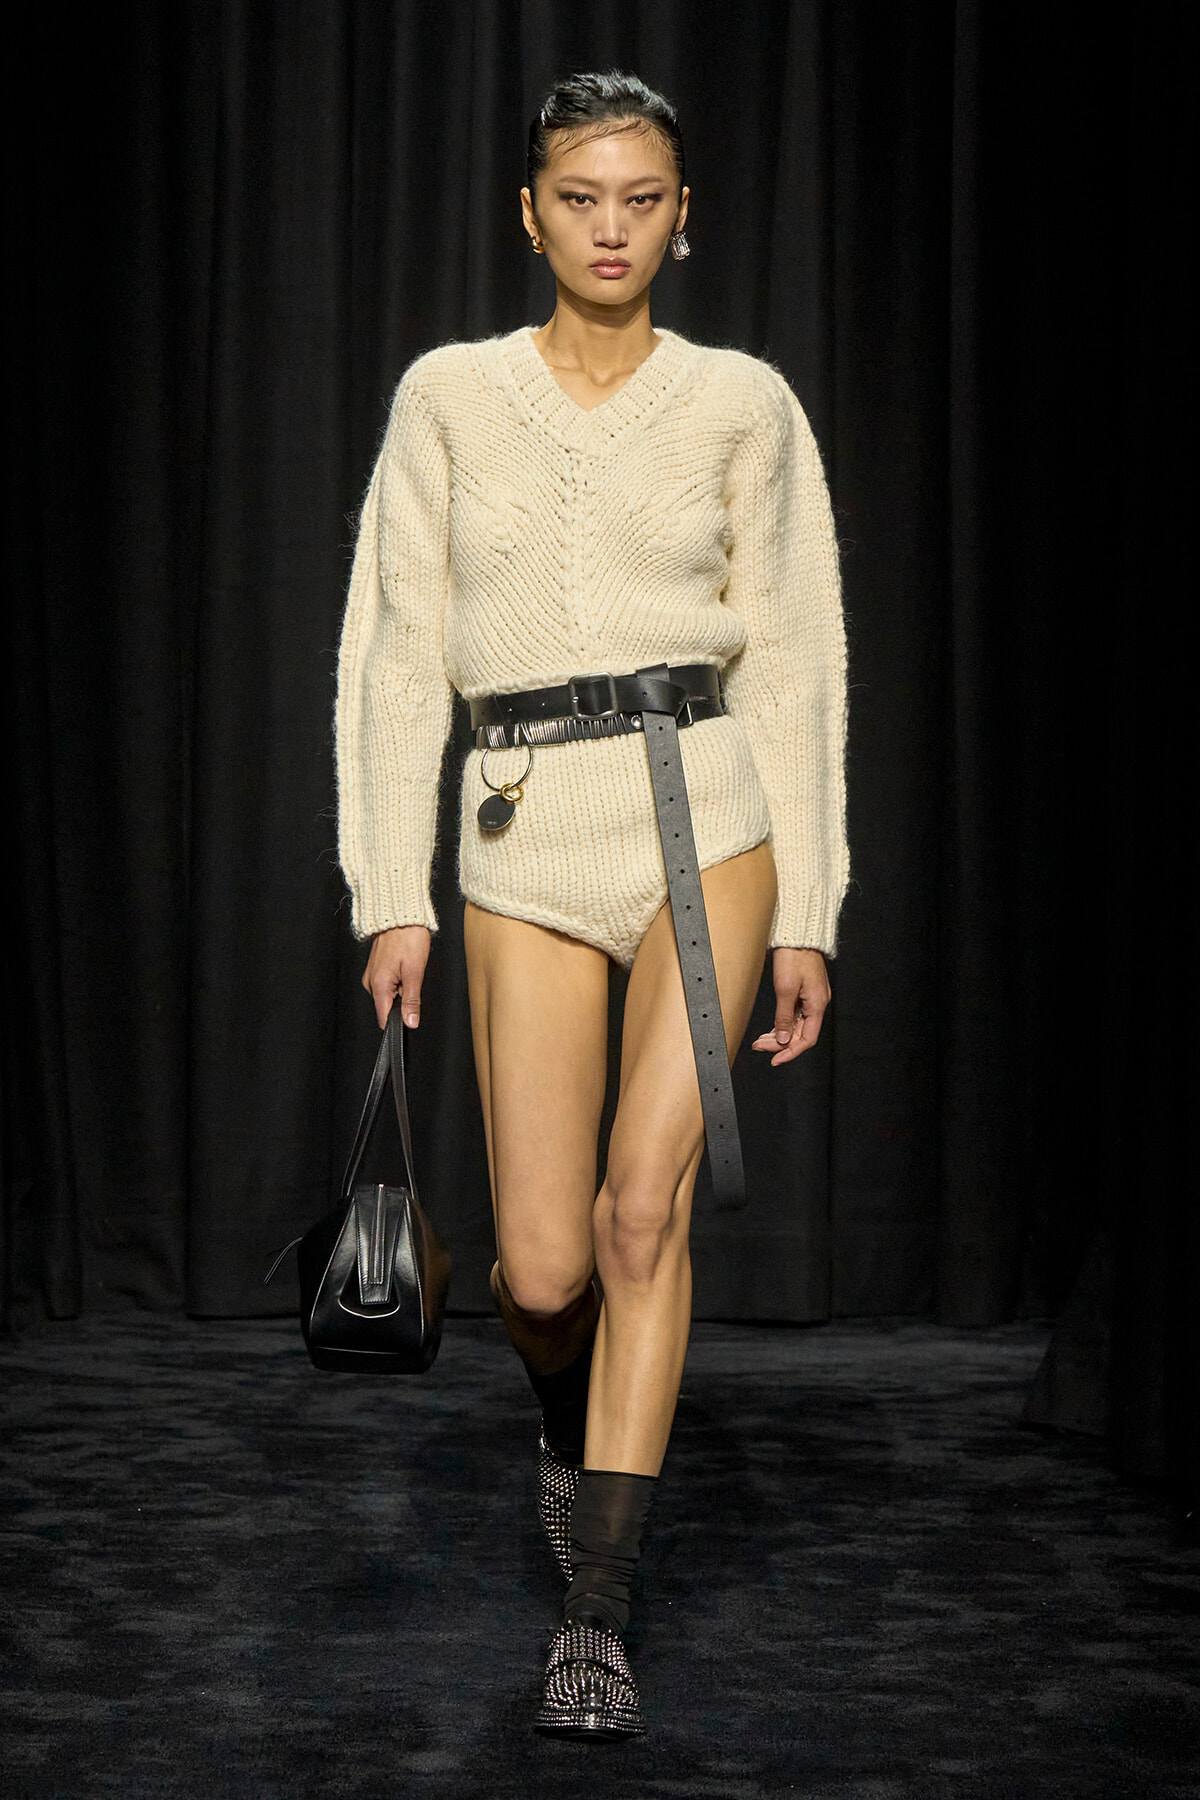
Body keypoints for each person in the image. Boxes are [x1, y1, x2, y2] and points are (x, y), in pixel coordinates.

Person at [335, 69, 849, 1738]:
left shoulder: (743, 404)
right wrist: (382, 889)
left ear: (684, 218)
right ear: (531, 210)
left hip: (704, 809)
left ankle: (599, 1613)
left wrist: (811, 910)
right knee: (544, 1270)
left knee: (645, 1217)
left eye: (642, 197)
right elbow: (396, 652)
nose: (610, 226)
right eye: (580, 195)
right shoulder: (450, 398)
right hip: (518, 831)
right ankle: (567, 1436)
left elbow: (798, 662)